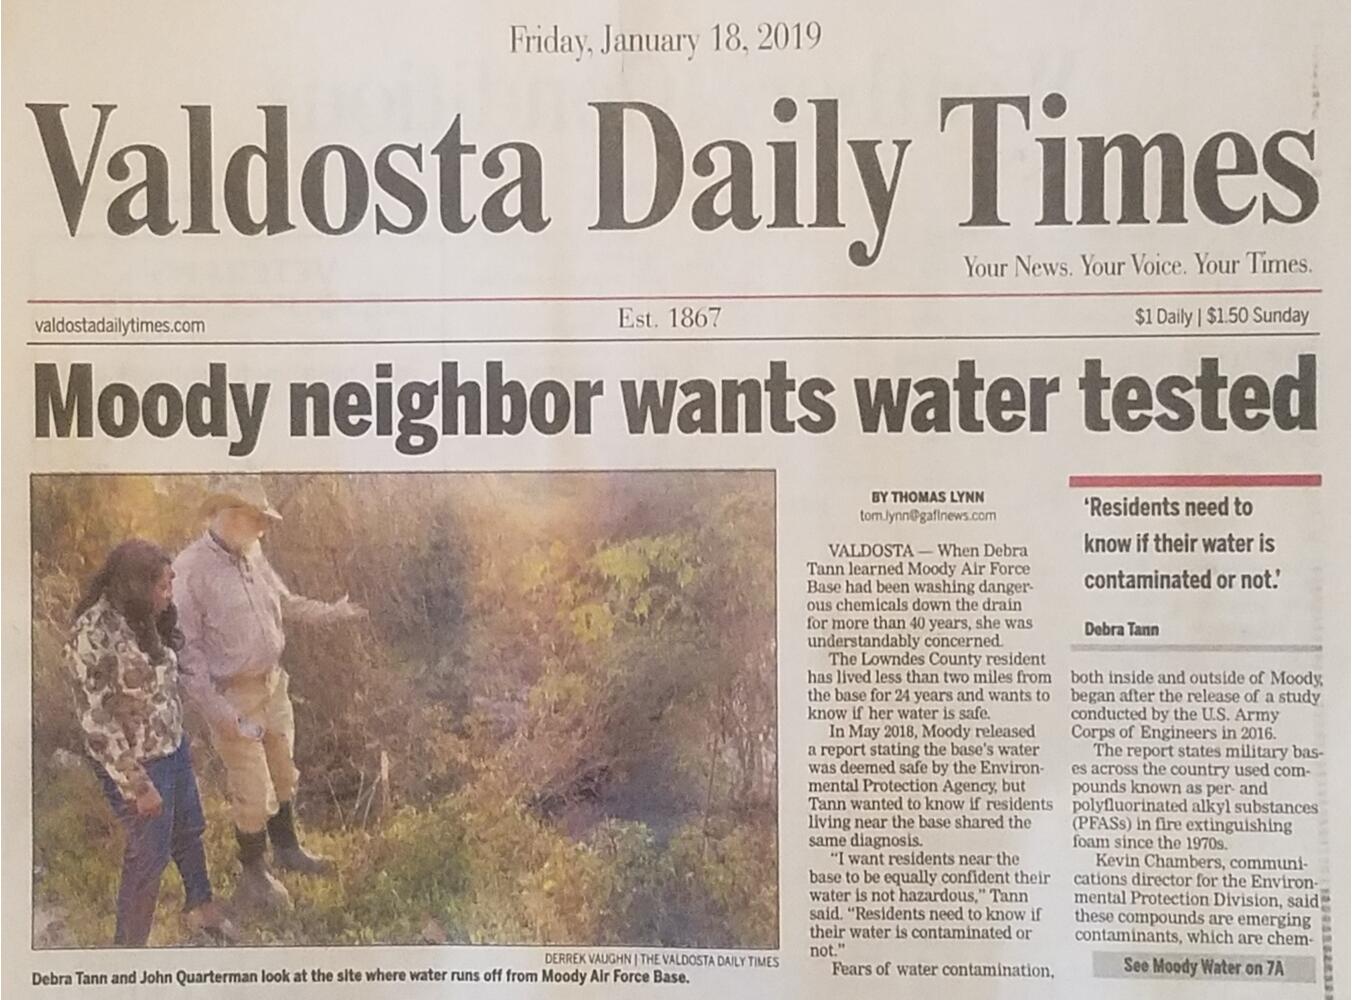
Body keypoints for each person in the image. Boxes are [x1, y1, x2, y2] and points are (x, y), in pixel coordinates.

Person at [172, 477, 365, 912]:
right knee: (252, 789)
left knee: (283, 773)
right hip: (233, 694)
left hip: (272, 684)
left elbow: (286, 602)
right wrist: (222, 715)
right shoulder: (190, 570)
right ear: (231, 515)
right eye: (257, 519)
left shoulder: (252, 554)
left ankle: (289, 850)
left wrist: (331, 612)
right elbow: (189, 657)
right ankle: (254, 874)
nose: (263, 528)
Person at [66, 538, 237, 947]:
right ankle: (127, 955)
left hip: (171, 747)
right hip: (137, 764)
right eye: (162, 587)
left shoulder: (149, 616)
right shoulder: (92, 633)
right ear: (136, 587)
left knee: (190, 829)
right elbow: (95, 721)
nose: (169, 595)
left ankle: (202, 909)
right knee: (149, 857)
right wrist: (138, 785)